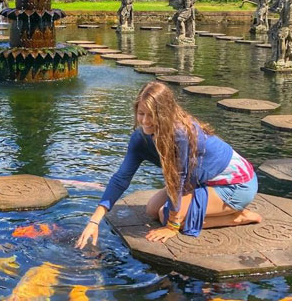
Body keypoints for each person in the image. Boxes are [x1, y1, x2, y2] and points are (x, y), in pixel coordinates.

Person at [75, 82, 262, 249]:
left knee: (166, 216)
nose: (145, 121)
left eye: (152, 115)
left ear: (165, 114)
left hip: (236, 184)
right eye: (141, 114)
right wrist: (95, 220)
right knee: (151, 210)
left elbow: (179, 179)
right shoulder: (140, 139)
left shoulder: (180, 133)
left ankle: (237, 217)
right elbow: (121, 178)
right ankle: (200, 209)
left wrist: (172, 226)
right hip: (199, 180)